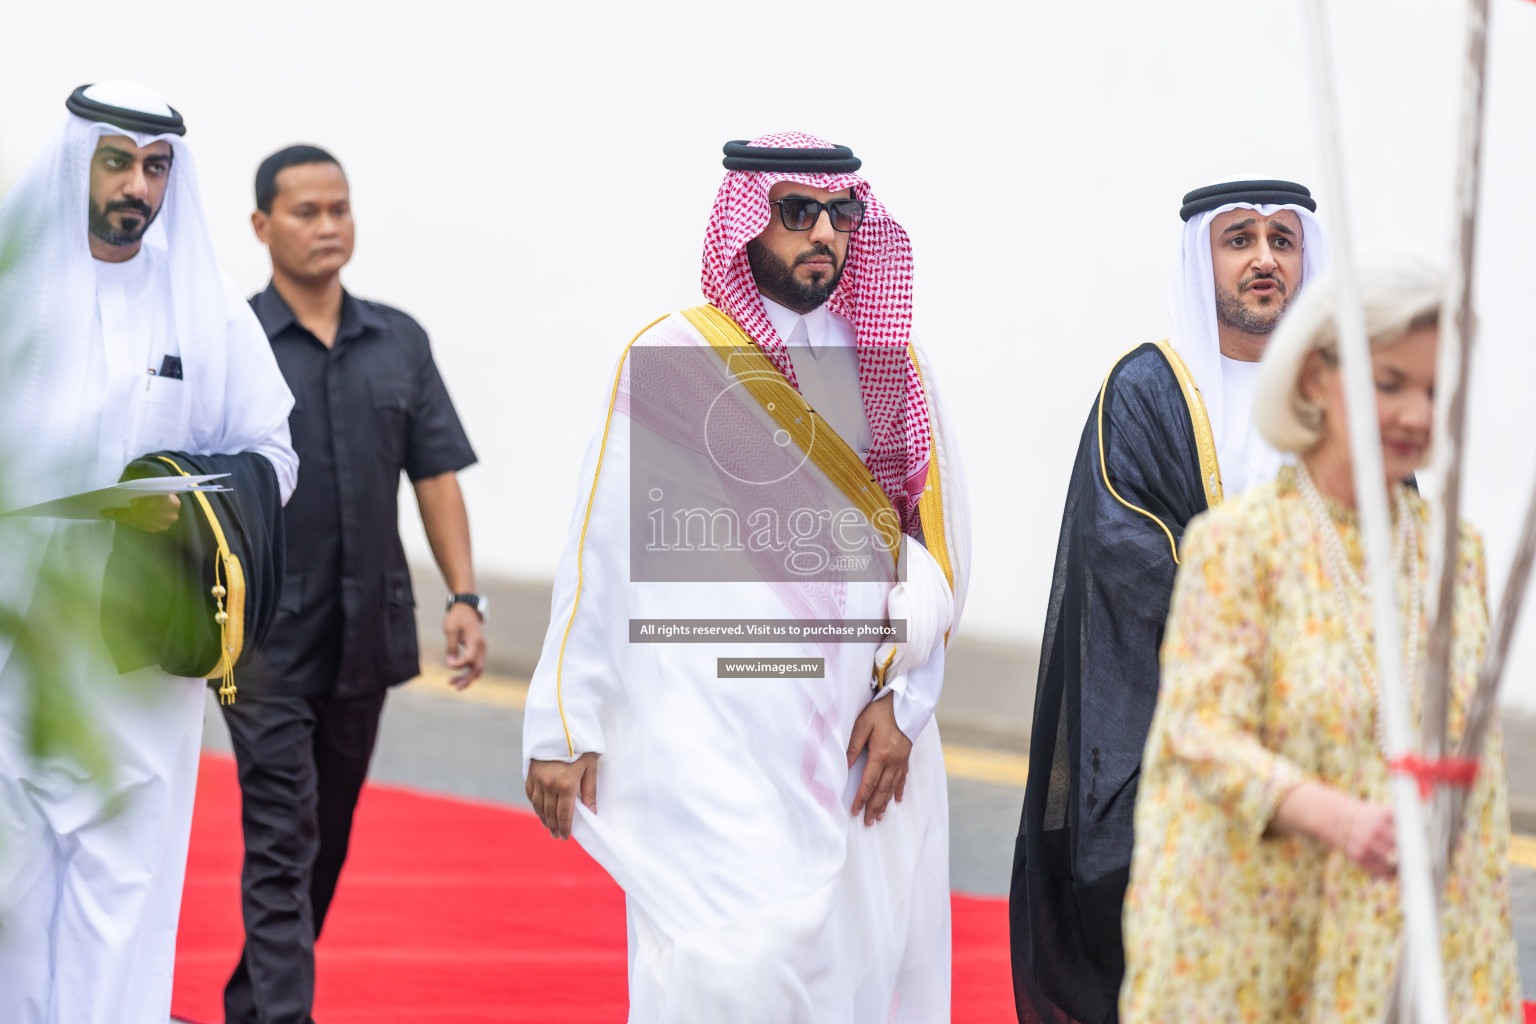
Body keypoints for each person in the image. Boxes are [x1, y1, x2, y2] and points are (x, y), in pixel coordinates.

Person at [521, 133, 970, 1022]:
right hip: (708, 733)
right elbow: (597, 549)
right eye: (797, 212)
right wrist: (563, 722)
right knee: (726, 963)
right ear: (745, 223)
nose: (825, 236)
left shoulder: (892, 368)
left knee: (853, 968)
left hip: (850, 734)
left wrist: (905, 703)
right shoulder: (673, 360)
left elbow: (935, 558)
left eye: (841, 215)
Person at [1120, 256, 1521, 1021]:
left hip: (1397, 939)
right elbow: (1199, 732)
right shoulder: (1240, 543)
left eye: (1437, 391)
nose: (1416, 415)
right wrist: (1337, 817)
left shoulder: (1453, 555)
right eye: (1390, 383)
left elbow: (1480, 768)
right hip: (1259, 931)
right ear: (1313, 381)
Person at [0, 82, 298, 1023]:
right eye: (118, 160)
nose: (138, 184)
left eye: (156, 166)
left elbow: (274, 455)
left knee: (122, 885)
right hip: (16, 642)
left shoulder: (204, 310)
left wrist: (187, 494)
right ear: (76, 161)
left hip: (140, 648)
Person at [1010, 178, 1330, 1024]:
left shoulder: (1340, 395)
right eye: (1240, 239)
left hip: (1321, 751)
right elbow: (1124, 549)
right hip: (1180, 748)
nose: (1264, 258)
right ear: (1204, 258)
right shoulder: (1148, 389)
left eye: (1282, 240)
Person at [219, 144, 486, 1024]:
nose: (329, 226)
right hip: (261, 642)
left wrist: (465, 595)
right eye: (306, 211)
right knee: (281, 837)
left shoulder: (398, 340)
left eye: (340, 208)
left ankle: (254, 1002)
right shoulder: (232, 342)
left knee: (323, 843)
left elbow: (436, 472)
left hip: (368, 631)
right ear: (262, 226)